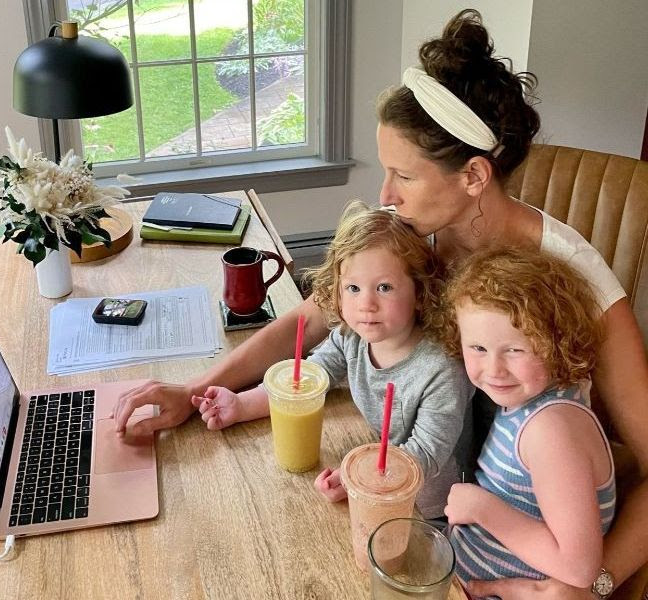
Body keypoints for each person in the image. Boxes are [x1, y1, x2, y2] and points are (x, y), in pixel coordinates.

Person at [115, 10, 648, 598]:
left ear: (473, 175)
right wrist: (194, 392)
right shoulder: (407, 235)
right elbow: (309, 320)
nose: (384, 196)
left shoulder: (576, 279)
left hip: (525, 540)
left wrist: (592, 584)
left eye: (403, 176)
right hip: (437, 517)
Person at [191, 201, 474, 518]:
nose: (366, 304)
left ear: (420, 292)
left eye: (384, 287)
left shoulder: (442, 370)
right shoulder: (352, 336)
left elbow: (425, 453)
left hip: (431, 508)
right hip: (375, 486)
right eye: (352, 287)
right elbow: (306, 381)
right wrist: (241, 405)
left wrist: (360, 478)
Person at [440, 247, 615, 591]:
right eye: (477, 348)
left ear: (558, 343)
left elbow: (579, 567)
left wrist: (481, 508)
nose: (494, 369)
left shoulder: (551, 430)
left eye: (515, 350)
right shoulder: (536, 400)